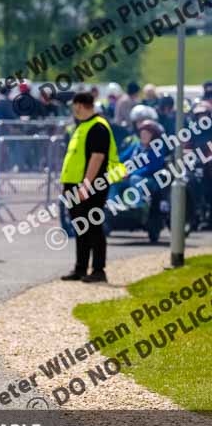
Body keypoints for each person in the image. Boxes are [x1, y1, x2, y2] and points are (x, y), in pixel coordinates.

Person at [60, 92, 125, 283]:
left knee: (93, 226)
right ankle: (80, 268)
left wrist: (86, 185)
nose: (73, 109)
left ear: (80, 105)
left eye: (74, 106)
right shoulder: (82, 126)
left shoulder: (98, 127)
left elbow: (97, 157)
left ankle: (98, 269)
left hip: (91, 185)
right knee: (81, 227)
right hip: (75, 184)